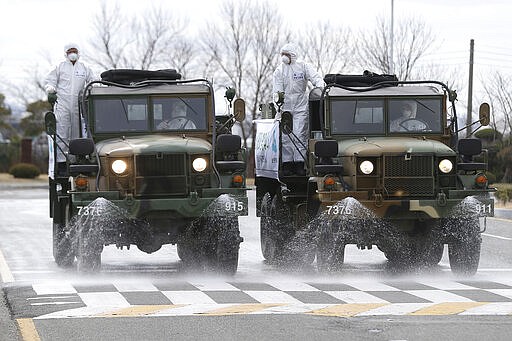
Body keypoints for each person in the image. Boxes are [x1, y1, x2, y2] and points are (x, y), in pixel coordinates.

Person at [272, 43, 324, 175]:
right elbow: (276, 90)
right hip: (286, 108)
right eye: (283, 54)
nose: (284, 57)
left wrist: (321, 89)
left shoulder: (303, 67)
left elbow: (316, 78)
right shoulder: (279, 71)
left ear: (293, 55)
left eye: (287, 54)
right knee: (286, 136)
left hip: (301, 106)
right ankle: (287, 164)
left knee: (300, 134)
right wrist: (278, 105)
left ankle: (300, 164)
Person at [44, 43, 94, 177]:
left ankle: (78, 161)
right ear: (65, 53)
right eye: (70, 51)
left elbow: (93, 82)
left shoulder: (85, 68)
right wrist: (50, 89)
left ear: (79, 53)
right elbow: (50, 81)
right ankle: (62, 164)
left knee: (78, 134)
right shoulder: (59, 67)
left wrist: (91, 92)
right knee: (62, 132)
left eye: (75, 51)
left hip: (79, 105)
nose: (73, 53)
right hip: (62, 104)